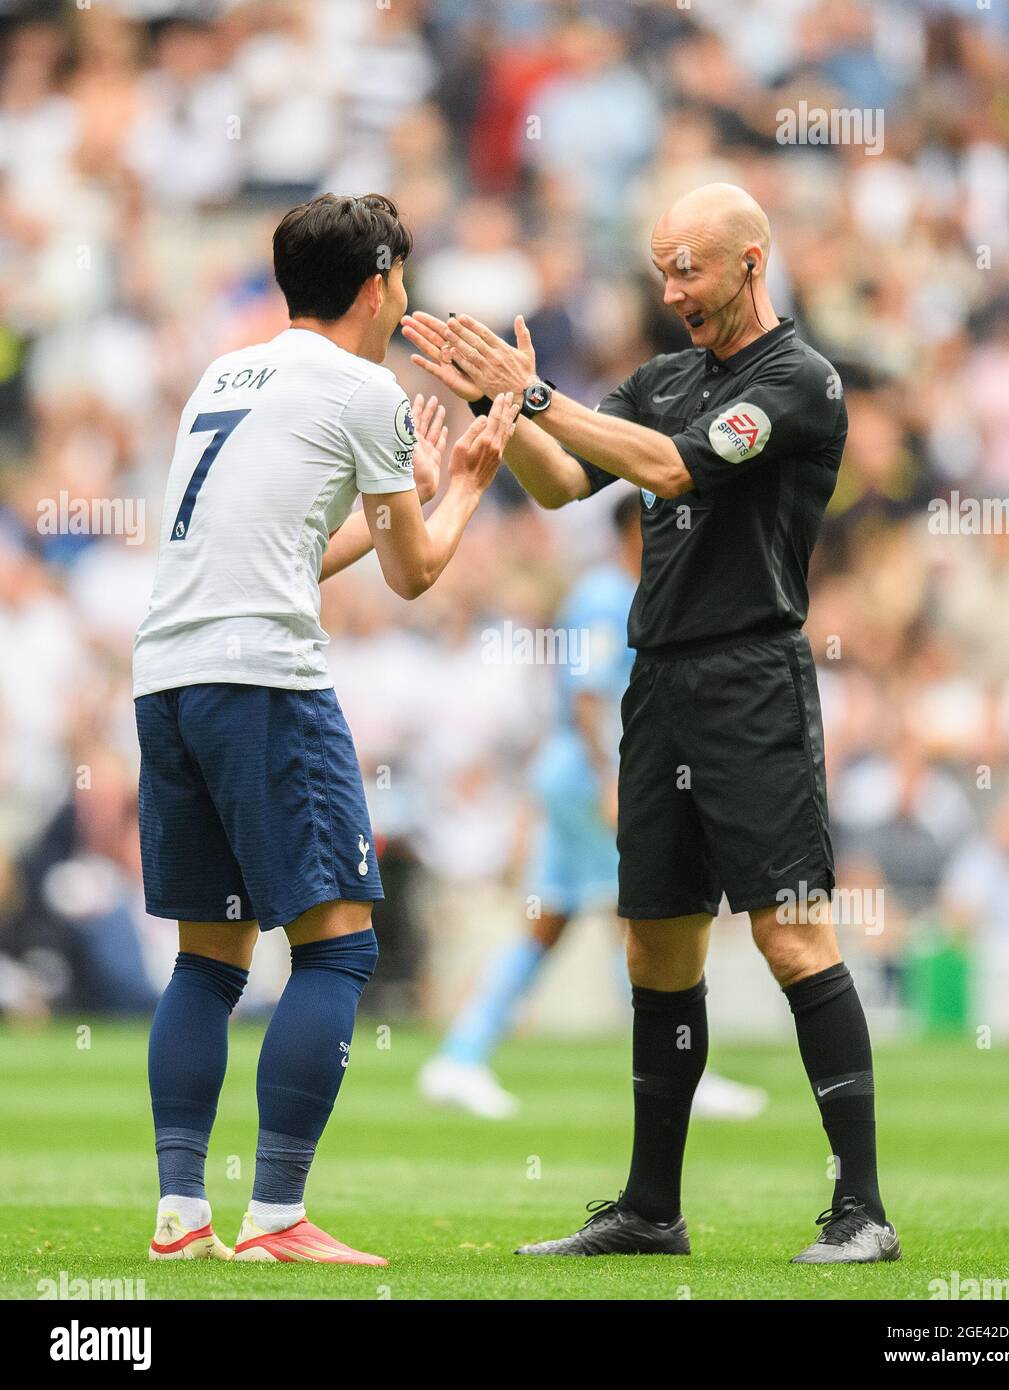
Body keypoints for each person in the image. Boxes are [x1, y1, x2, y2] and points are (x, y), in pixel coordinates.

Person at [402, 182, 899, 1264]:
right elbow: (564, 481)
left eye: (691, 268)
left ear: (750, 263)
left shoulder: (797, 380)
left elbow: (673, 466)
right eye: (663, 269)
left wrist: (533, 393)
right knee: (658, 948)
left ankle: (860, 1209)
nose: (673, 289)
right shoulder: (663, 376)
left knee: (788, 931)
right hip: (658, 681)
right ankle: (649, 1209)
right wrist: (507, 422)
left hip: (752, 680)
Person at [134, 192, 517, 1266]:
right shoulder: (366, 389)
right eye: (402, 278)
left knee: (207, 961)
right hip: (265, 683)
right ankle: (276, 1216)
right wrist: (468, 486)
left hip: (168, 677)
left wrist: (411, 488)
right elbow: (415, 573)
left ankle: (180, 1212)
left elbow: (285, 550)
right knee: (339, 948)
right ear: (376, 285)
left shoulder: (225, 371)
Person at [419, 490, 767, 1121]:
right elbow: (588, 698)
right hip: (592, 781)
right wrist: (612, 783)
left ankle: (461, 1055)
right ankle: (680, 1069)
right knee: (644, 923)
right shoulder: (607, 598)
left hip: (576, 778)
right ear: (636, 528)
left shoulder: (619, 591)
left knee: (553, 924)